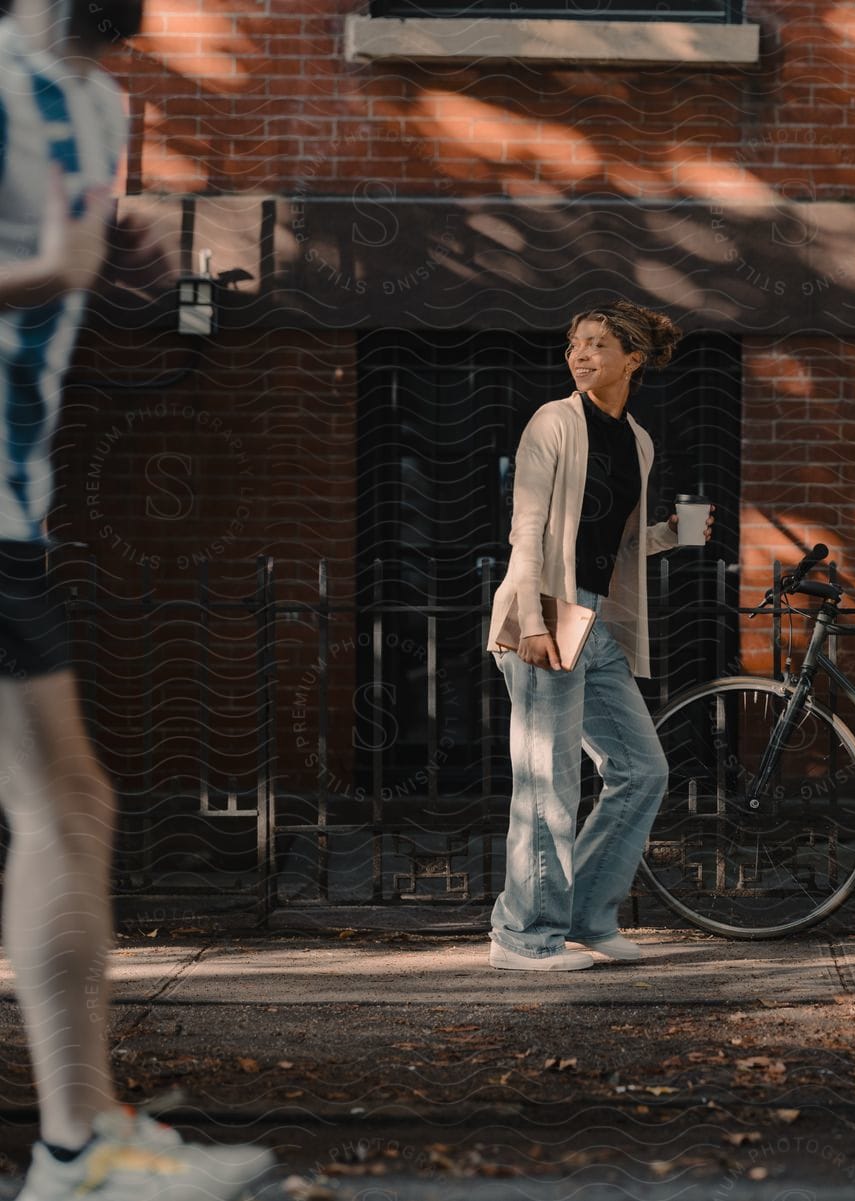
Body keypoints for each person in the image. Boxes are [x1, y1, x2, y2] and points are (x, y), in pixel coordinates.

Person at [0, 1, 276, 1197]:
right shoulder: (14, 79)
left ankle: (76, 1144)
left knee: (68, 801)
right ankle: (75, 1147)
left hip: (10, 508)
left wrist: (95, 261)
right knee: (64, 805)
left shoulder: (96, 100)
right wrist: (53, 266)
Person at [484, 300, 713, 971]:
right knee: (547, 780)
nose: (580, 355)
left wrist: (677, 533)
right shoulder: (552, 422)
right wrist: (529, 621)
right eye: (575, 345)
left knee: (643, 770)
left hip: (598, 621)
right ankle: (523, 936)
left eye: (597, 345)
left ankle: (584, 913)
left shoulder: (637, 439)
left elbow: (615, 544)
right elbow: (528, 532)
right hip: (546, 611)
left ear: (632, 359)